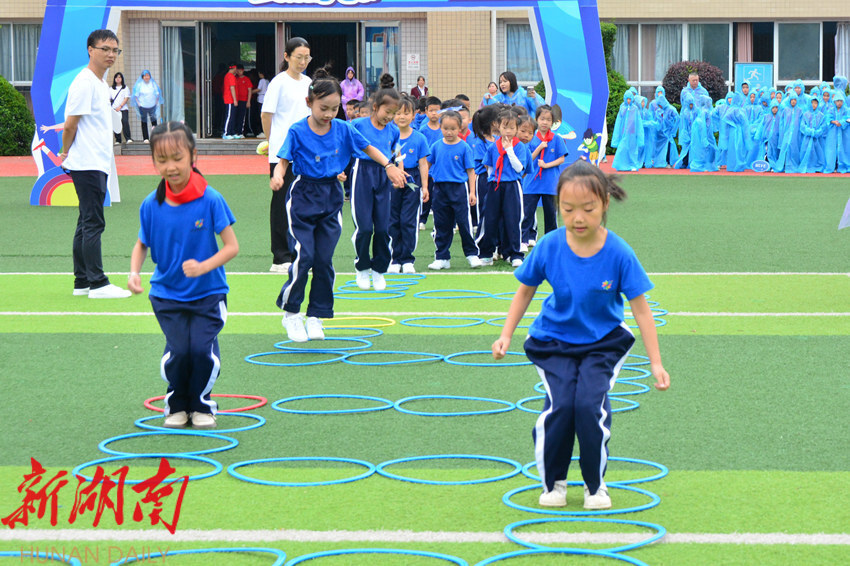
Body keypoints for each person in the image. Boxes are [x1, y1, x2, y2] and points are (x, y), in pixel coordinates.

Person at [492, 159, 670, 510]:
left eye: (588, 209)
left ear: (604, 203)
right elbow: (525, 290)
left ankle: (595, 486)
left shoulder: (619, 252)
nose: (577, 218)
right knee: (562, 405)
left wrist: (657, 363)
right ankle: (554, 482)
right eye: (568, 209)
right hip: (553, 341)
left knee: (589, 405)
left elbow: (641, 309)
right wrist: (505, 335)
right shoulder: (549, 245)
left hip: (602, 343)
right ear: (558, 205)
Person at [270, 68, 406, 342]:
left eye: (334, 109)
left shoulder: (344, 129)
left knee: (323, 260)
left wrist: (389, 165)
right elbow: (283, 158)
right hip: (303, 197)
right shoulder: (297, 130)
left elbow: (368, 148)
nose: (329, 114)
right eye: (323, 108)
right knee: (304, 257)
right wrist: (278, 174)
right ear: (309, 103)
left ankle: (316, 316)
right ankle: (292, 313)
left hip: (331, 196)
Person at [128, 121, 239, 430]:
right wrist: (134, 272)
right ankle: (176, 404)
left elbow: (232, 247)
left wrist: (204, 267)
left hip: (208, 293)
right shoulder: (151, 204)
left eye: (177, 158)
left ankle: (202, 404)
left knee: (201, 351)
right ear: (153, 161)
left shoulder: (211, 199)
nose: (170, 167)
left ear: (193, 156)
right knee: (179, 352)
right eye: (161, 160)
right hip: (167, 295)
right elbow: (141, 244)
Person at [60, 29, 131, 300]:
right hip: (87, 162)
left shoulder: (101, 83)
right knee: (93, 223)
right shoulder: (84, 82)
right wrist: (66, 152)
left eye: (115, 50)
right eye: (105, 49)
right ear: (90, 50)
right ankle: (98, 283)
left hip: (96, 162)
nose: (111, 54)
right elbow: (70, 124)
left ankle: (82, 282)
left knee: (85, 221)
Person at [349, 75, 405, 291]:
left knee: (382, 228)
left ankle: (379, 269)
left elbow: (395, 153)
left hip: (384, 175)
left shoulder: (393, 130)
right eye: (387, 112)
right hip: (362, 173)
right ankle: (362, 267)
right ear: (375, 107)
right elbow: (345, 146)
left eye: (394, 113)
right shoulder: (357, 124)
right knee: (364, 228)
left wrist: (398, 172)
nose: (390, 117)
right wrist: (340, 171)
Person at [262, 37, 312, 273]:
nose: (303, 62)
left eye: (306, 57)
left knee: (303, 203)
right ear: (287, 57)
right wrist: (272, 142)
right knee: (281, 204)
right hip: (282, 153)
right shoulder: (278, 83)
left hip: (305, 153)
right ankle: (280, 257)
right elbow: (266, 115)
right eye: (298, 57)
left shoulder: (309, 83)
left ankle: (299, 253)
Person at [427, 110, 481, 270]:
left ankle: (472, 254)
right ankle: (442, 257)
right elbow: (426, 165)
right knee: (441, 224)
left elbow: (471, 171)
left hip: (459, 189)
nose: (449, 132)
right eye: (445, 128)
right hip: (440, 189)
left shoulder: (464, 147)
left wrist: (472, 192)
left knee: (464, 223)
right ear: (440, 128)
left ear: (459, 128)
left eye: (453, 128)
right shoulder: (436, 146)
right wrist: (424, 185)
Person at [477, 109, 530, 268]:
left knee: (512, 220)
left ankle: (513, 254)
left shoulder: (519, 146)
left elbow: (519, 168)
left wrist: (509, 150)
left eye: (512, 128)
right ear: (498, 127)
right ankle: (487, 253)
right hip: (495, 185)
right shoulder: (493, 146)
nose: (508, 131)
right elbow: (488, 165)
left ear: (517, 129)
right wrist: (492, 181)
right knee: (490, 219)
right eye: (505, 127)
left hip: (512, 185)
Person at [388, 95, 430, 273]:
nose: (401, 117)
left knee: (408, 220)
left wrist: (425, 187)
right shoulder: (388, 135)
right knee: (392, 220)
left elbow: (423, 164)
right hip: (392, 179)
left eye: (406, 113)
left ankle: (407, 259)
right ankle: (394, 258)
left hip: (412, 180)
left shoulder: (419, 138)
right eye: (397, 113)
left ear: (414, 115)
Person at [522, 105, 566, 249]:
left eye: (548, 120)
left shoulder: (557, 139)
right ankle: (523, 240)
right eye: (542, 119)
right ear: (536, 120)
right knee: (527, 214)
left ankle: (550, 241)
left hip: (550, 183)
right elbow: (527, 160)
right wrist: (539, 148)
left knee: (550, 215)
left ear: (552, 122)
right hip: (531, 182)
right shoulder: (530, 138)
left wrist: (547, 165)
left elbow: (561, 159)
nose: (545, 122)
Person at [417, 96, 443, 229]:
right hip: (427, 167)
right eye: (431, 110)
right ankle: (422, 219)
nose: (434, 113)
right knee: (427, 194)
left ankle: (441, 222)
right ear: (426, 111)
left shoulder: (444, 129)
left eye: (437, 110)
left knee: (440, 197)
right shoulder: (423, 129)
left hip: (441, 167)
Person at [610, 91, 644, 171]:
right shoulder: (622, 108)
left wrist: (639, 136)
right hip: (624, 132)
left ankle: (633, 165)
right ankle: (620, 165)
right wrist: (617, 135)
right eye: (627, 99)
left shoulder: (635, 109)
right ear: (625, 99)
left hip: (632, 133)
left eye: (630, 99)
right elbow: (618, 121)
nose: (628, 101)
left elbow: (638, 122)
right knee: (622, 148)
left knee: (632, 150)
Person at [131, 70, 163, 143]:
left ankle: (155, 137)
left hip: (152, 106)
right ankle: (145, 138)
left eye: (148, 75)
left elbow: (157, 93)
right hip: (143, 106)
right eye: (145, 76)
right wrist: (139, 104)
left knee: (154, 121)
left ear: (150, 76)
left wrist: (156, 102)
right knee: (144, 122)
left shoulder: (153, 84)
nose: (146, 77)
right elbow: (136, 95)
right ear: (142, 77)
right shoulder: (139, 85)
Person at [110, 72, 132, 144]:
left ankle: (128, 138)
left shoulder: (125, 88)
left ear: (122, 79)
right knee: (116, 124)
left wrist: (120, 106)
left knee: (125, 122)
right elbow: (108, 98)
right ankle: (118, 140)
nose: (118, 79)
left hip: (123, 108)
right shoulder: (111, 89)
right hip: (114, 109)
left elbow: (126, 98)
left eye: (119, 77)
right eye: (116, 77)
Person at [235, 65, 252, 138]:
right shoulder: (235, 78)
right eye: (237, 71)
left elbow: (250, 90)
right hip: (236, 100)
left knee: (242, 117)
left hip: (244, 100)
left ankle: (240, 132)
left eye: (240, 71)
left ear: (243, 71)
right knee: (235, 116)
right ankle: (235, 132)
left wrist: (248, 101)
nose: (239, 72)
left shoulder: (246, 79)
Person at [255, 70, 269, 138]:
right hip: (265, 98)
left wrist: (251, 91)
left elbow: (259, 89)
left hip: (261, 99)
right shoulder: (267, 81)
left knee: (260, 115)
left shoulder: (262, 80)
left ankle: (261, 131)